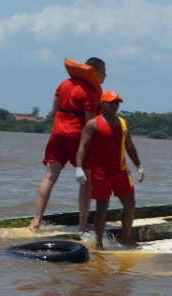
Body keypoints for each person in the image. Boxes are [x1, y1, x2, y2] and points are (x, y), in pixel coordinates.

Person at [30, 57, 107, 231]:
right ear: (94, 71)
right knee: (86, 180)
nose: (105, 77)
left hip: (57, 134)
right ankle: (83, 224)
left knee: (49, 176)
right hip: (77, 138)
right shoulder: (90, 92)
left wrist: (58, 129)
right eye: (103, 73)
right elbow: (90, 124)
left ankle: (36, 222)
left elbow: (54, 112)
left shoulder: (63, 84)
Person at [75, 90, 144, 250]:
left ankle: (126, 239)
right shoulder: (93, 123)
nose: (115, 105)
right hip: (101, 173)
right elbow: (83, 146)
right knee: (102, 207)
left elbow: (129, 146)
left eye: (117, 102)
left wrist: (139, 165)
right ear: (102, 103)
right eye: (111, 102)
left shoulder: (123, 123)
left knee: (130, 204)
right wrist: (79, 168)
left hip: (121, 171)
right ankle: (98, 244)